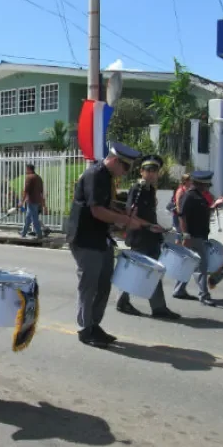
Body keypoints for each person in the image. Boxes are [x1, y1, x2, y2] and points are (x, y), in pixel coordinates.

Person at [67, 143, 150, 348]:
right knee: (89, 285)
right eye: (125, 166)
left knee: (104, 283)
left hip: (100, 238)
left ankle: (94, 324)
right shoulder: (95, 175)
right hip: (85, 239)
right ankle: (85, 329)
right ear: (114, 160)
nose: (126, 172)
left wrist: (131, 218)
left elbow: (107, 205)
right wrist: (125, 221)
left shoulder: (107, 177)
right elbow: (97, 211)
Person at [116, 155, 180, 319]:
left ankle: (156, 307)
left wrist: (157, 226)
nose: (151, 173)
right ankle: (126, 302)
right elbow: (131, 213)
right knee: (140, 271)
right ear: (141, 171)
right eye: (148, 170)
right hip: (140, 236)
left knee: (151, 272)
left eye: (154, 170)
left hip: (151, 236)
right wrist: (149, 226)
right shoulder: (138, 188)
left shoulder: (150, 189)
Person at [173, 171, 218, 306]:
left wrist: (214, 207)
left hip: (199, 235)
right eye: (207, 185)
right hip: (193, 236)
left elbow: (202, 213)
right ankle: (204, 295)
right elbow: (182, 216)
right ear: (200, 184)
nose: (208, 188)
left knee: (189, 264)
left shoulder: (199, 196)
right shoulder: (189, 196)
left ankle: (179, 290)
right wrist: (186, 235)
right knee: (201, 266)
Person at [20, 164, 46, 239]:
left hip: (31, 201)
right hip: (37, 201)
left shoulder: (29, 177)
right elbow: (41, 191)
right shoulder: (39, 178)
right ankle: (23, 233)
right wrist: (43, 203)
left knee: (34, 219)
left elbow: (25, 191)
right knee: (28, 218)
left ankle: (39, 234)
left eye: (26, 169)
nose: (26, 171)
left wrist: (21, 201)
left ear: (29, 169)